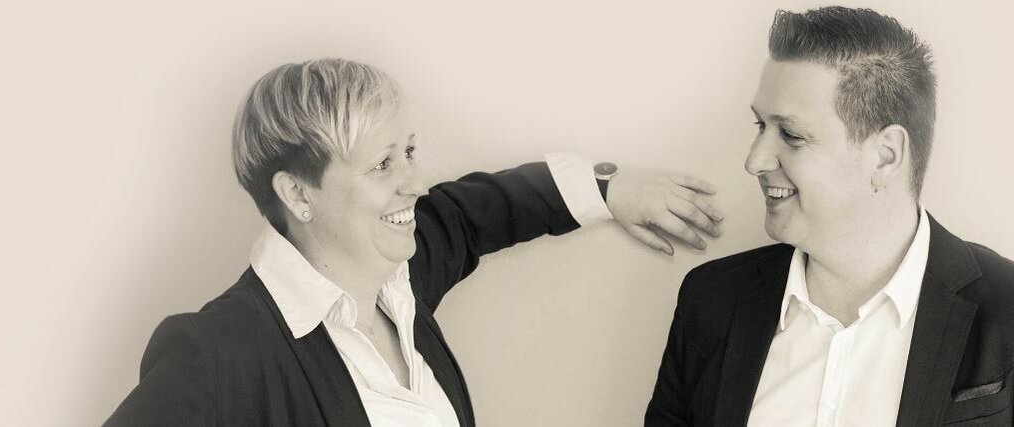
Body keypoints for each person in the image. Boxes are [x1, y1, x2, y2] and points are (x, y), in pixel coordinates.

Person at [105, 58, 723, 426]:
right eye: (382, 164)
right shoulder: (218, 353)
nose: (414, 183)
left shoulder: (399, 275)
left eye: (409, 152)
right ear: (297, 193)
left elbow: (481, 211)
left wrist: (609, 187)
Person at [645, 6, 1014, 427]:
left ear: (885, 156)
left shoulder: (1007, 313)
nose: (754, 161)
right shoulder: (711, 301)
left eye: (791, 135)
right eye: (760, 126)